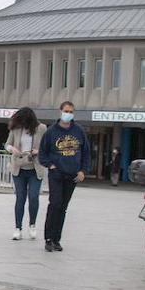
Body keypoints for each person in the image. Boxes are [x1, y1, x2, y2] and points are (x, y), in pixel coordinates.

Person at [38, 101, 90, 252]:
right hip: (56, 174)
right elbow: (43, 153)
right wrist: (50, 165)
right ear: (60, 111)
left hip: (72, 175)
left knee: (63, 208)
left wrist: (83, 171)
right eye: (66, 111)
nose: (68, 113)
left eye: (71, 111)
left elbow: (86, 152)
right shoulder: (51, 131)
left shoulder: (79, 130)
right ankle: (48, 238)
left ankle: (56, 239)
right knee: (54, 204)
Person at [4, 107, 47, 241]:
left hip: (35, 168)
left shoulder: (41, 128)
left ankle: (32, 225)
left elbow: (47, 146)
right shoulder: (16, 129)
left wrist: (38, 151)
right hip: (19, 168)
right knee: (20, 198)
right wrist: (12, 149)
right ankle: (18, 228)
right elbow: (7, 144)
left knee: (33, 197)